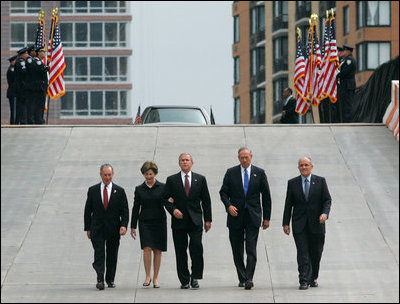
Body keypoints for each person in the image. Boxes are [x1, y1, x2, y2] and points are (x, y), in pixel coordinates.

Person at [219, 147, 272, 290]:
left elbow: (266, 197)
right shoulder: (231, 173)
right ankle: (242, 277)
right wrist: (229, 206)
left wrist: (266, 218)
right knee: (237, 249)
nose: (244, 160)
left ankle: (249, 278)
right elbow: (223, 192)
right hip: (235, 216)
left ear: (251, 157)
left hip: (253, 216)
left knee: (251, 248)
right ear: (238, 158)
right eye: (241, 157)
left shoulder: (259, 173)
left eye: (246, 157)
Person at [163, 153, 212, 289]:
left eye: (187, 160)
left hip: (195, 220)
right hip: (179, 221)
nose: (185, 162)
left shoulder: (200, 179)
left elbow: (206, 201)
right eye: (182, 160)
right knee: (180, 250)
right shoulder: (172, 180)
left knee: (196, 247)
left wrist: (208, 220)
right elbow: (165, 199)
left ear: (192, 163)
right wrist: (173, 210)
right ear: (179, 163)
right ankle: (184, 279)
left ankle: (195, 277)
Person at [282, 157, 332, 290]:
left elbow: (327, 200)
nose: (304, 167)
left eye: (306, 165)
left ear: (311, 166)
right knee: (302, 252)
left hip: (317, 224)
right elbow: (288, 204)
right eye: (301, 165)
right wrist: (285, 223)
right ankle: (303, 279)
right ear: (298, 167)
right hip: (299, 224)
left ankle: (313, 276)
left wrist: (325, 214)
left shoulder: (320, 182)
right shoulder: (292, 183)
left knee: (316, 252)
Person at [84, 164, 129, 290]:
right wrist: (88, 228)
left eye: (109, 175)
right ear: (101, 175)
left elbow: (125, 211)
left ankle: (110, 279)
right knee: (99, 253)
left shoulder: (119, 191)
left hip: (113, 229)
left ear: (112, 175)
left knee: (112, 254)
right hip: (97, 228)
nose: (107, 177)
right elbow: (88, 210)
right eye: (105, 175)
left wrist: (124, 225)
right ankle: (100, 279)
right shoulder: (93, 190)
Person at [130, 161, 167, 288]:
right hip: (145, 222)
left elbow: (168, 203)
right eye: (146, 174)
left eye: (150, 174)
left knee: (158, 249)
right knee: (147, 248)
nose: (149, 177)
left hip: (159, 221)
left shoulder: (163, 187)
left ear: (155, 174)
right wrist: (133, 226)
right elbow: (136, 208)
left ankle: (156, 277)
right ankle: (147, 276)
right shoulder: (139, 189)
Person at [337, 45, 356, 123]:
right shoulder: (344, 60)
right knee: (344, 103)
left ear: (348, 51)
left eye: (345, 51)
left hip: (348, 85)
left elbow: (345, 72)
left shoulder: (350, 60)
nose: (344, 52)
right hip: (344, 85)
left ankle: (348, 120)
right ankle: (345, 119)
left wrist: (337, 75)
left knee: (348, 104)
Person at [29, 46, 49, 124]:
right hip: (39, 87)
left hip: (41, 86)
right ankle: (38, 119)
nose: (44, 53)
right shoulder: (37, 62)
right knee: (38, 104)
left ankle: (39, 118)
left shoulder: (40, 62)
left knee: (41, 104)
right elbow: (40, 71)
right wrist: (47, 68)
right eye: (42, 52)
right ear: (38, 53)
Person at [14, 47, 30, 124]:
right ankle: (22, 120)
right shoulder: (21, 62)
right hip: (21, 87)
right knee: (22, 105)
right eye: (26, 53)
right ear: (23, 54)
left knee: (22, 104)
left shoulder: (20, 61)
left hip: (21, 87)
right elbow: (24, 73)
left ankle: (21, 120)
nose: (27, 55)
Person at [7, 55, 18, 125]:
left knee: (15, 109)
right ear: (12, 62)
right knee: (13, 109)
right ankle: (13, 123)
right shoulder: (12, 69)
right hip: (13, 92)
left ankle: (14, 122)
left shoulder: (13, 68)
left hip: (14, 92)